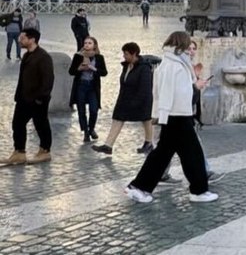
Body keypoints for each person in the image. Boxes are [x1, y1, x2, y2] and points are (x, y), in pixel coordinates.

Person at [124, 31, 217, 204]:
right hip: (177, 115)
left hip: (174, 115)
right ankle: (198, 190)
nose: (191, 50)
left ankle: (139, 187)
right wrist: (195, 87)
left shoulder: (173, 63)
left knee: (165, 154)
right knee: (190, 153)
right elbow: (173, 92)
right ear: (181, 45)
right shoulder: (174, 66)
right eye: (188, 46)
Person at [92, 42, 159, 155]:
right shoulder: (126, 65)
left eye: (126, 54)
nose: (124, 56)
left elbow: (145, 88)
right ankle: (108, 145)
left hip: (141, 100)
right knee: (118, 119)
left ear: (134, 54)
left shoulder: (144, 69)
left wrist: (136, 102)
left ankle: (148, 143)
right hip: (125, 99)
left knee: (146, 120)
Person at [2, 28, 53, 165]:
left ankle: (45, 151)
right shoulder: (26, 56)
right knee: (17, 124)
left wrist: (40, 99)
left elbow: (48, 80)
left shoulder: (43, 57)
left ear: (32, 39)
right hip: (23, 98)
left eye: (22, 38)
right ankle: (19, 153)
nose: (20, 40)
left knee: (41, 124)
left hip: (37, 99)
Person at [68, 36, 108, 143]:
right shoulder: (78, 56)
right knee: (81, 110)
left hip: (92, 87)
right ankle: (85, 132)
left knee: (94, 110)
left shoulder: (99, 57)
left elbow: (104, 72)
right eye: (85, 43)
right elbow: (71, 71)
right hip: (81, 85)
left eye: (90, 43)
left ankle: (91, 129)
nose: (87, 45)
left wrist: (92, 68)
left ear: (94, 45)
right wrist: (79, 69)